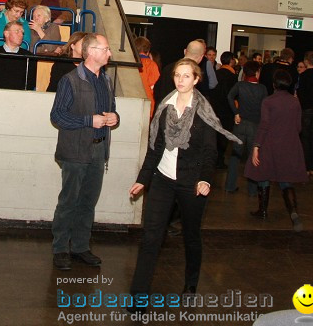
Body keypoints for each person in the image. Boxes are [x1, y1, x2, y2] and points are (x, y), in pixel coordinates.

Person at [127, 58, 240, 306]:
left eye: (186, 76)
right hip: (163, 179)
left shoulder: (203, 110)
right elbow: (154, 148)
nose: (180, 80)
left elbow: (210, 152)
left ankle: (190, 282)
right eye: (177, 75)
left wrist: (205, 180)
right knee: (151, 237)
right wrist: (143, 179)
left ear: (196, 79)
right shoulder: (165, 107)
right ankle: (139, 296)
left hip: (192, 181)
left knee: (191, 235)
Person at [50, 33, 118, 271]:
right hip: (75, 150)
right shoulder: (70, 80)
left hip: (99, 150)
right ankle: (60, 249)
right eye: (106, 49)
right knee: (69, 201)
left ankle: (80, 247)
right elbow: (57, 115)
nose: (110, 53)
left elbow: (112, 109)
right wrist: (90, 120)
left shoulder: (106, 81)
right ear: (92, 52)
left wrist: (113, 117)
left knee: (88, 201)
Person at [244, 70, 307, 230]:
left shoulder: (268, 101)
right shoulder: (295, 102)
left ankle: (263, 210)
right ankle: (294, 213)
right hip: (290, 145)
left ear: (274, 84)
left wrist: (257, 146)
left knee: (263, 175)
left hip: (270, 144)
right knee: (286, 180)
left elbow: (264, 125)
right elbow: (299, 127)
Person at [225, 60, 266, 195]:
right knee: (252, 157)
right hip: (255, 126)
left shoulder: (240, 85)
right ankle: (252, 190)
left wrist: (236, 112)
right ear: (257, 72)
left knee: (235, 156)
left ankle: (230, 186)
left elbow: (230, 96)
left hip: (240, 124)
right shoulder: (262, 89)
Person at [0, 21, 34, 90]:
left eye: (22, 32)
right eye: (17, 31)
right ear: (6, 33)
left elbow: (31, 82)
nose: (21, 35)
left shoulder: (28, 56)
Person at [134, 36, 161, 117]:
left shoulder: (131, 63)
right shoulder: (151, 64)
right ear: (148, 51)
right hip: (148, 103)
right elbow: (155, 85)